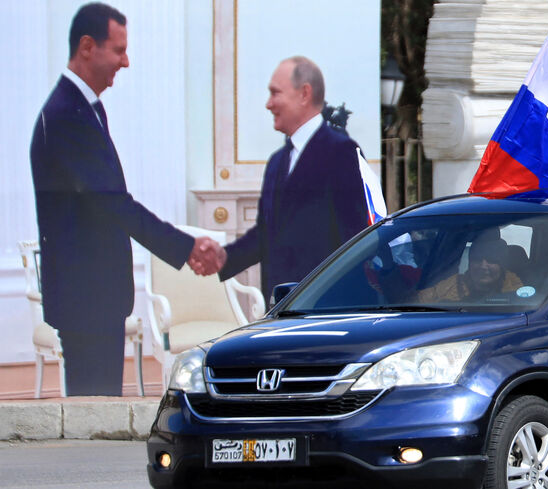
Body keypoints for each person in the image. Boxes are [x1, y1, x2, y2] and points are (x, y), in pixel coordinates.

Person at [29, 2, 223, 396]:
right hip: (87, 299)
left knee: (97, 412)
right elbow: (114, 202)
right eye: (118, 50)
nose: (127, 61)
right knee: (95, 420)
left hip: (92, 297)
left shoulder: (82, 108)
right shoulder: (68, 114)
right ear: (87, 46)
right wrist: (185, 246)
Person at [214, 57, 369, 297]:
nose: (268, 104)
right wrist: (222, 259)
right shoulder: (276, 162)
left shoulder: (342, 153)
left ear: (304, 94)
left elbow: (357, 241)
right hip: (280, 312)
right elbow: (266, 234)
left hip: (324, 314)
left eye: (275, 93)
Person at [418, 236, 523, 302]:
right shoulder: (451, 285)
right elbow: (417, 302)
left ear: (502, 266)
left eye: (491, 260)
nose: (483, 266)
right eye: (477, 260)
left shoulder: (516, 289)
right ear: (469, 263)